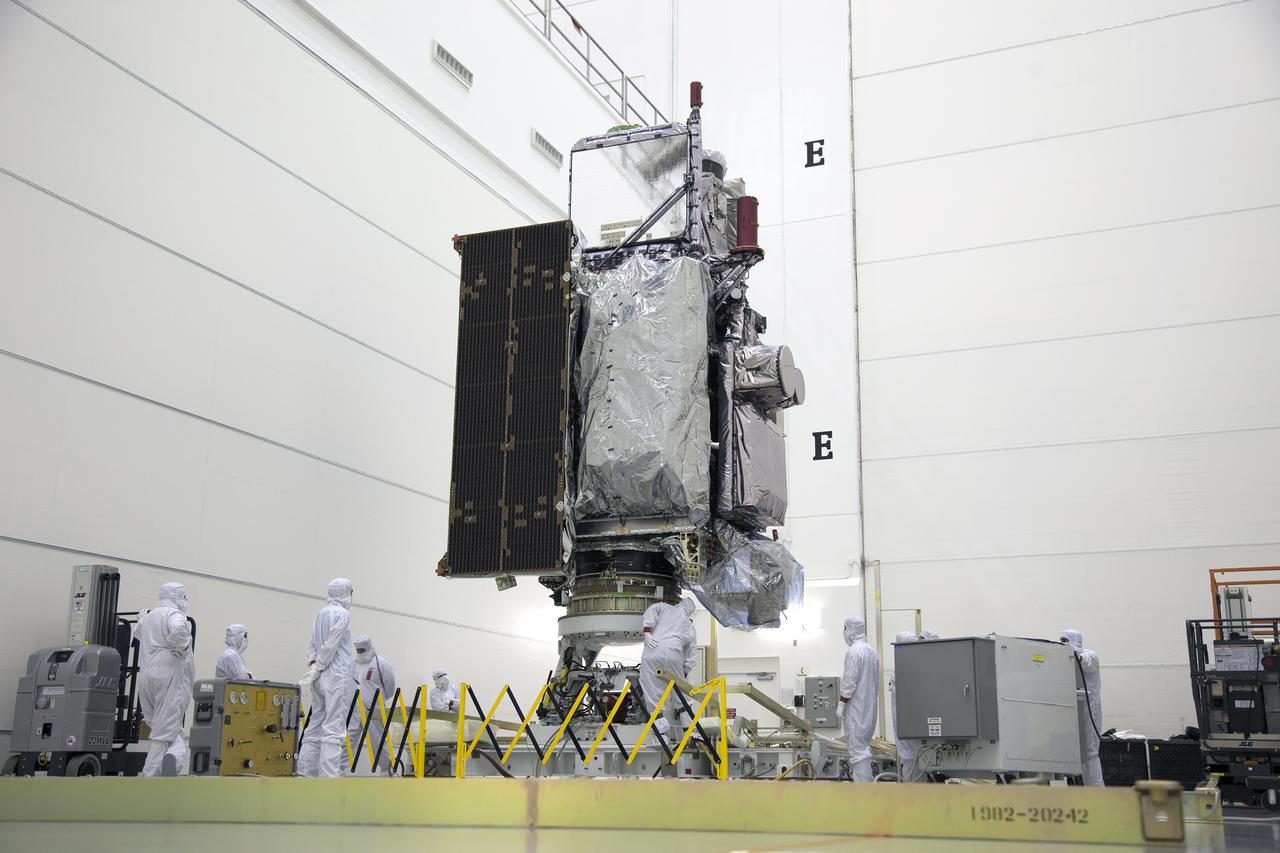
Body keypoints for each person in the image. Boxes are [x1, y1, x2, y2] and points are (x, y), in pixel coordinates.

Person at [135, 582, 195, 777]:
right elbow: (178, 630)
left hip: (146, 675)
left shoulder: (149, 616)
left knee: (163, 726)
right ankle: (151, 774)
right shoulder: (173, 615)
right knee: (163, 733)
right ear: (178, 596)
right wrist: (182, 648)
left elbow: (138, 633)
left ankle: (172, 758)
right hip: (167, 674)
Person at [298, 578, 354, 777]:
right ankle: (329, 778)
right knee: (334, 727)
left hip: (319, 677)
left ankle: (305, 773)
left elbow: (313, 642)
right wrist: (321, 664)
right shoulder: (342, 614)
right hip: (335, 675)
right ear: (344, 593)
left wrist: (313, 665)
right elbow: (332, 644)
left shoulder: (321, 613)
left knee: (315, 724)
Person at [639, 598, 698, 738]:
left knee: (652, 692)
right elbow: (692, 653)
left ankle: (661, 736)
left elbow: (652, 609)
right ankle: (690, 733)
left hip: (653, 650)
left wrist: (647, 632)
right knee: (681, 694)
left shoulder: (665, 607)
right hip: (675, 656)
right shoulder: (690, 626)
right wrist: (683, 673)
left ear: (680, 603)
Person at [348, 634, 397, 775]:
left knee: (379, 741)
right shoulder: (353, 664)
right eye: (358, 650)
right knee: (348, 740)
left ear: (369, 647)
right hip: (354, 711)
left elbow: (390, 688)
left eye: (363, 650)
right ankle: (337, 770)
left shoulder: (381, 664)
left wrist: (377, 701)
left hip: (373, 710)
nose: (360, 653)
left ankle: (386, 771)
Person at [839, 617, 879, 783]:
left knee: (857, 751)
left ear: (851, 630)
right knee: (861, 748)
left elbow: (850, 680)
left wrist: (842, 703)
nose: (844, 633)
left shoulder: (855, 651)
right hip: (868, 708)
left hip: (857, 709)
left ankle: (863, 794)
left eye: (845, 629)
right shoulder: (870, 651)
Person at [1061, 628, 1103, 787]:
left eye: (1066, 640)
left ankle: (1097, 792)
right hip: (1075, 708)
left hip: (1089, 708)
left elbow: (1086, 662)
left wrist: (1074, 655)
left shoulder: (1090, 654)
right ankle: (1085, 789)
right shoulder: (1066, 659)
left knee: (1090, 752)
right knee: (1080, 754)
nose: (1063, 644)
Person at [889, 630, 918, 782]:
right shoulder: (901, 670)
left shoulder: (905, 670)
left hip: (910, 729)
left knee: (912, 761)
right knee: (911, 761)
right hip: (906, 729)